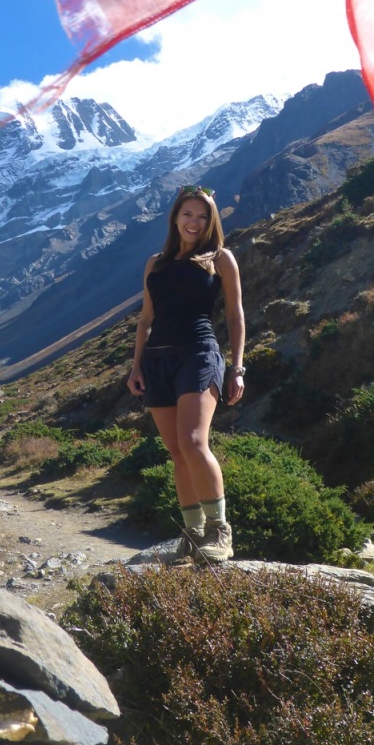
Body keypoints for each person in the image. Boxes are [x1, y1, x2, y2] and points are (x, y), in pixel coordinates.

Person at [127, 185, 245, 563]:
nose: (194, 222)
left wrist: (237, 368)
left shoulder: (220, 258)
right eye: (188, 214)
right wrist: (136, 366)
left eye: (203, 216)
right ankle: (192, 535)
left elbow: (235, 315)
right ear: (175, 217)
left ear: (212, 222)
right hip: (157, 362)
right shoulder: (155, 263)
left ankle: (219, 531)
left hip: (198, 356)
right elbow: (146, 319)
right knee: (177, 453)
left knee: (194, 442)